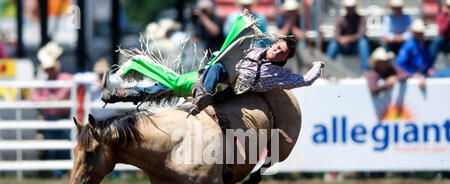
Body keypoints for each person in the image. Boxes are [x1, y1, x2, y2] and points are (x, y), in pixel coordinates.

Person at [101, 37, 324, 117]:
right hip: (208, 76)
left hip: (228, 88)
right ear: (273, 44)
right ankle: (119, 95)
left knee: (216, 70)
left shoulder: (279, 75)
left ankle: (203, 95)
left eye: (282, 52)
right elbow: (229, 50)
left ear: (283, 59)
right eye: (278, 46)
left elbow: (305, 80)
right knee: (166, 86)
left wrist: (317, 65)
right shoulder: (251, 48)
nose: (277, 51)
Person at [30, 42, 73, 178]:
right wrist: (48, 101)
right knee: (53, 146)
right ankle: (57, 173)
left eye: (51, 68)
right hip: (51, 118)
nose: (50, 71)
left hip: (63, 116)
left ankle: (64, 171)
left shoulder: (64, 78)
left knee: (65, 144)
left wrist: (59, 97)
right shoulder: (43, 83)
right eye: (47, 69)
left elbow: (73, 83)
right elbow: (33, 98)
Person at [325, 0, 370, 72]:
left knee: (363, 42)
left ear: (355, 7)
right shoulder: (340, 19)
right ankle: (325, 70)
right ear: (345, 8)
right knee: (333, 43)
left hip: (356, 47)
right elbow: (336, 35)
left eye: (352, 7)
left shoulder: (361, 19)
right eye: (348, 7)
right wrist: (341, 39)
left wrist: (349, 39)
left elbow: (361, 34)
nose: (350, 9)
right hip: (343, 46)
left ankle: (366, 71)